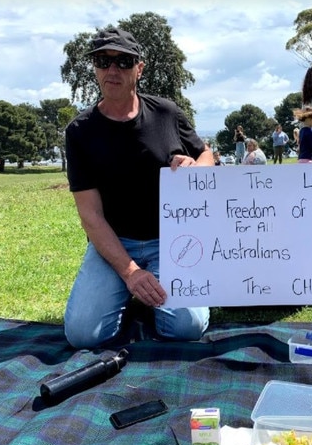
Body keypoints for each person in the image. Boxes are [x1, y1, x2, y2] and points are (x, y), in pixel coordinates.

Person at [64, 28, 213, 349]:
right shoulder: (79, 132)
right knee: (83, 336)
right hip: (114, 245)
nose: (112, 70)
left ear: (140, 69)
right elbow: (90, 215)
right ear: (94, 68)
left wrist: (196, 168)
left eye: (124, 62)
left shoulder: (166, 113)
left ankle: (147, 295)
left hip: (172, 242)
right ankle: (135, 290)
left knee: (187, 328)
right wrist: (130, 272)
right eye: (103, 61)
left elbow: (207, 153)